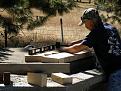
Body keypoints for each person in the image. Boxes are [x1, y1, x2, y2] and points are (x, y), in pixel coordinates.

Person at [59, 8, 121, 91]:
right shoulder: (110, 28)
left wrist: (62, 49)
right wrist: (76, 42)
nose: (85, 26)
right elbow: (95, 39)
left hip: (115, 74)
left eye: (85, 22)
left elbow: (76, 49)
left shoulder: (96, 32)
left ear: (91, 21)